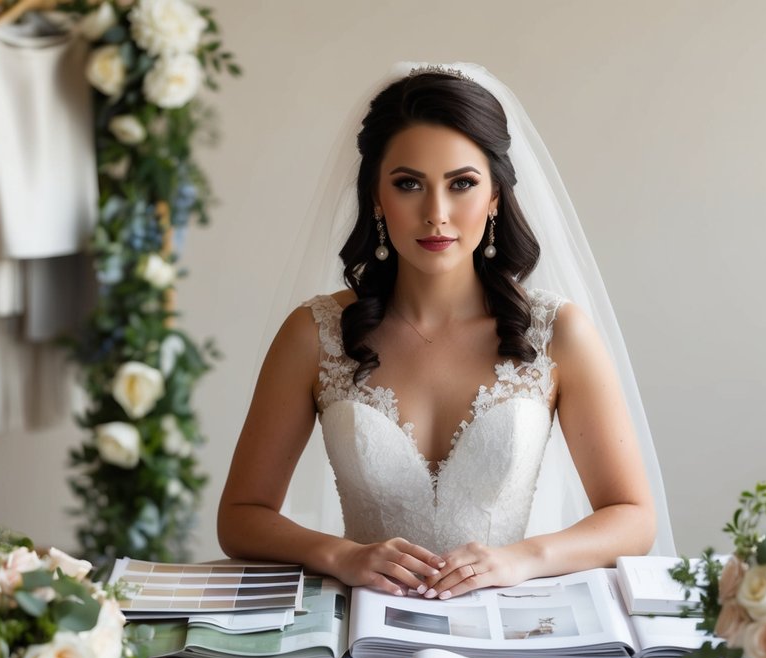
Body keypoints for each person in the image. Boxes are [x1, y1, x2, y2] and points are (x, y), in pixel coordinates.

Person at [219, 64, 674, 598]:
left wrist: (522, 560)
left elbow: (634, 518)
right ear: (375, 198)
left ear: (497, 197)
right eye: (409, 184)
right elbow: (241, 517)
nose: (436, 214)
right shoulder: (314, 333)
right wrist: (341, 556)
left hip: (505, 625)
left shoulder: (557, 333)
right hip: (365, 632)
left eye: (462, 184)